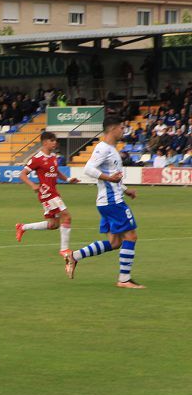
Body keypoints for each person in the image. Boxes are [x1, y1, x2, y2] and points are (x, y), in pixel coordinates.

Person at [65, 117, 142, 288]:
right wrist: (109, 179)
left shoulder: (112, 149)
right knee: (131, 236)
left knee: (115, 243)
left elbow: (113, 177)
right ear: (112, 129)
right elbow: (88, 169)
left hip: (108, 200)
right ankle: (124, 280)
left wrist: (125, 189)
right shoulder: (103, 148)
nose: (123, 131)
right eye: (121, 128)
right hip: (112, 201)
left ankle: (74, 256)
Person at [15, 132, 79, 256]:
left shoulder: (54, 157)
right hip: (47, 194)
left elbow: (57, 172)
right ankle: (64, 249)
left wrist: (68, 179)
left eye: (55, 140)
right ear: (45, 142)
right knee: (66, 216)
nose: (54, 142)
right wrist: (33, 185)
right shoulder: (37, 158)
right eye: (52, 140)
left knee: (54, 224)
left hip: (53, 192)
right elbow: (22, 174)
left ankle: (22, 227)